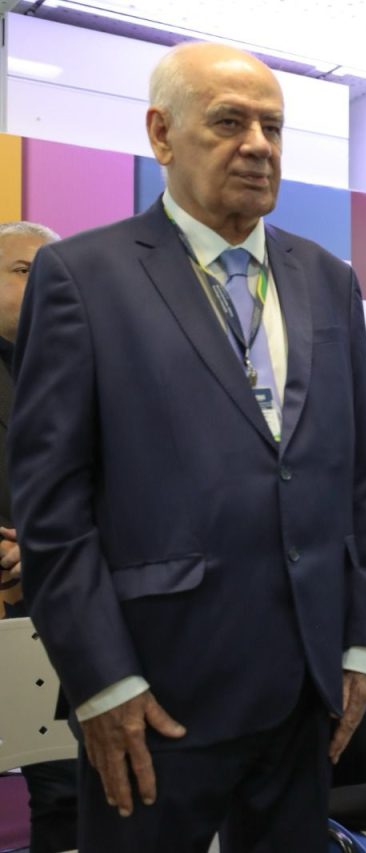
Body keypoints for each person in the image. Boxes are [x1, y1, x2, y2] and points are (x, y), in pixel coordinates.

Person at [10, 43, 366, 851]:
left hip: (306, 685)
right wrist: (102, 679)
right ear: (162, 133)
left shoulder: (328, 279)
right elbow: (54, 507)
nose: (258, 145)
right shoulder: (83, 276)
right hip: (155, 689)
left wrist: (363, 644)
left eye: (273, 127)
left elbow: (362, 474)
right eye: (229, 122)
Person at [0, 221, 78, 853]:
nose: (42, 282)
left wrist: (43, 548)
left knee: (69, 790)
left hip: (63, 611)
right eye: (23, 269)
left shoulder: (82, 368)